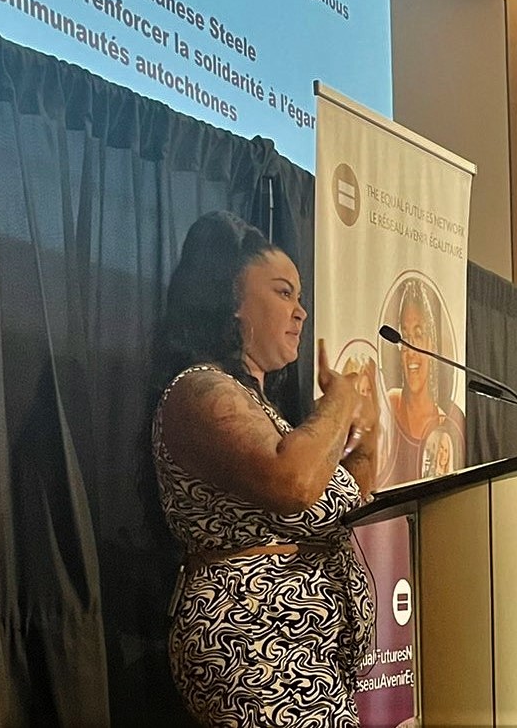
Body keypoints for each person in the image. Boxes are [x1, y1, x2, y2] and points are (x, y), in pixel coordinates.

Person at [150, 211, 378, 726]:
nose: (300, 312)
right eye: (283, 293)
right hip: (255, 645)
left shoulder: (270, 416)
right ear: (231, 302)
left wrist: (367, 436)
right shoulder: (199, 390)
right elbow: (293, 483)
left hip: (315, 656)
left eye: (300, 298)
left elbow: (349, 512)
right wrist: (339, 403)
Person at [383, 277, 464, 483]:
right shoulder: (389, 404)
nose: (410, 351)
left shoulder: (450, 422)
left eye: (418, 336)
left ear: (431, 343)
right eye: (405, 337)